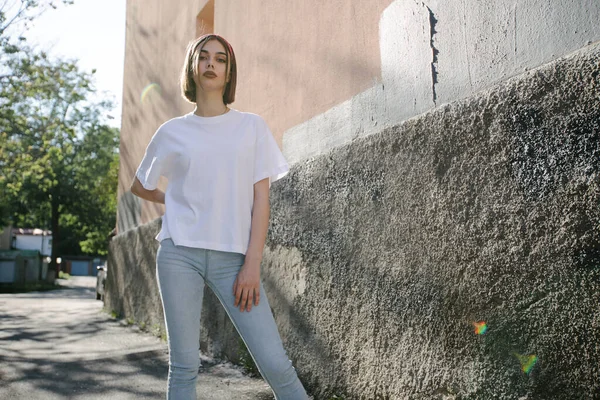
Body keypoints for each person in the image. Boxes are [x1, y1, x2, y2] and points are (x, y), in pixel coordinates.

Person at [131, 33, 309, 400]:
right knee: (183, 367)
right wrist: (175, 201)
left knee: (277, 364)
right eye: (204, 57)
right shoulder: (172, 132)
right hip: (179, 254)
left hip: (235, 261)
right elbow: (140, 185)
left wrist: (252, 264)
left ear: (229, 73)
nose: (211, 63)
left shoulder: (252, 127)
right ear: (193, 69)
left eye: (220, 59)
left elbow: (262, 200)